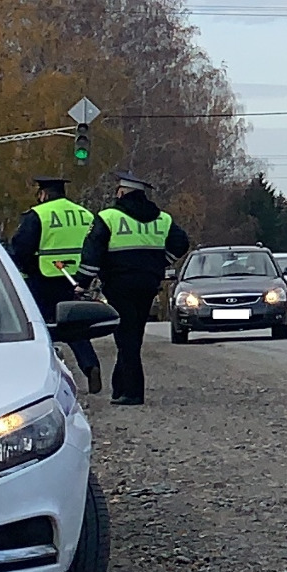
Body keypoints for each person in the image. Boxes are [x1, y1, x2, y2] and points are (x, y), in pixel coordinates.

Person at [79, 173, 189, 406]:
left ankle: (132, 392)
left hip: (119, 284)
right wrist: (161, 262)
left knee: (126, 336)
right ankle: (120, 388)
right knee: (133, 334)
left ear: (122, 192)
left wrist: (83, 282)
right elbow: (182, 242)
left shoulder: (108, 217)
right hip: (148, 283)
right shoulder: (162, 219)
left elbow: (93, 253)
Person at [8, 176, 102, 393]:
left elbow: (21, 248)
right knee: (75, 326)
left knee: (38, 326)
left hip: (44, 277)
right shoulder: (84, 214)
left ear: (44, 194)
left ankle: (42, 374)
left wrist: (24, 269)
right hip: (76, 278)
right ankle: (90, 366)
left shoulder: (39, 214)